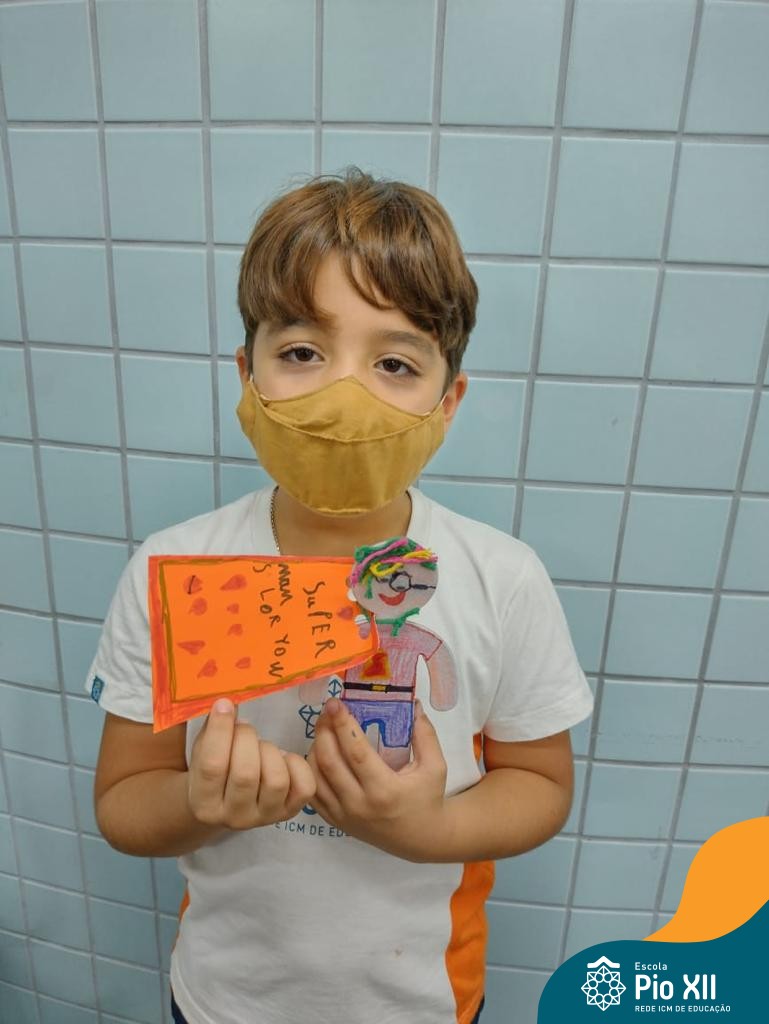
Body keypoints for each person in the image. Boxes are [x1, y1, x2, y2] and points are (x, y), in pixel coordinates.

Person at [87, 167, 594, 1024]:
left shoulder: (500, 577)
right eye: (300, 353)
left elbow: (540, 784)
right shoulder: (172, 567)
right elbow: (123, 799)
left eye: (394, 363)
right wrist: (198, 804)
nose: (342, 396)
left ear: (447, 402)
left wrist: (424, 831)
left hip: (422, 1000)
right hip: (222, 999)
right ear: (246, 374)